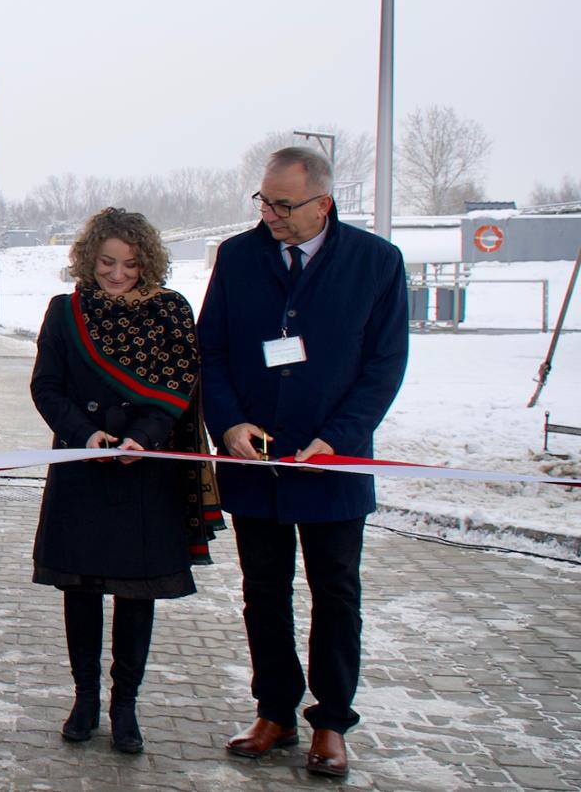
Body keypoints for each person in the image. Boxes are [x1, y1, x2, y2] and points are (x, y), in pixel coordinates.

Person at [201, 147, 409, 778]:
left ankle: (332, 722)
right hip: (255, 464)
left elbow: (385, 366)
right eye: (263, 201)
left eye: (284, 205)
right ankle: (275, 711)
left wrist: (339, 438)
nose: (270, 215)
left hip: (331, 468)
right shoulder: (237, 257)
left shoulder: (376, 262)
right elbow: (212, 352)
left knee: (336, 594)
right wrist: (229, 423)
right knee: (263, 592)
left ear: (324, 204)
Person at [29, 207, 221, 755]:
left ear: (147, 263)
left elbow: (181, 383)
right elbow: (46, 386)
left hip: (145, 469)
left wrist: (144, 437)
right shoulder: (65, 311)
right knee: (81, 588)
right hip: (82, 465)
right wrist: (84, 434)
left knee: (138, 593)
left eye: (131, 265)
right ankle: (85, 699)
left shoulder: (171, 310)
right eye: (107, 263)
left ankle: (125, 705)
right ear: (89, 259)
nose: (117, 274)